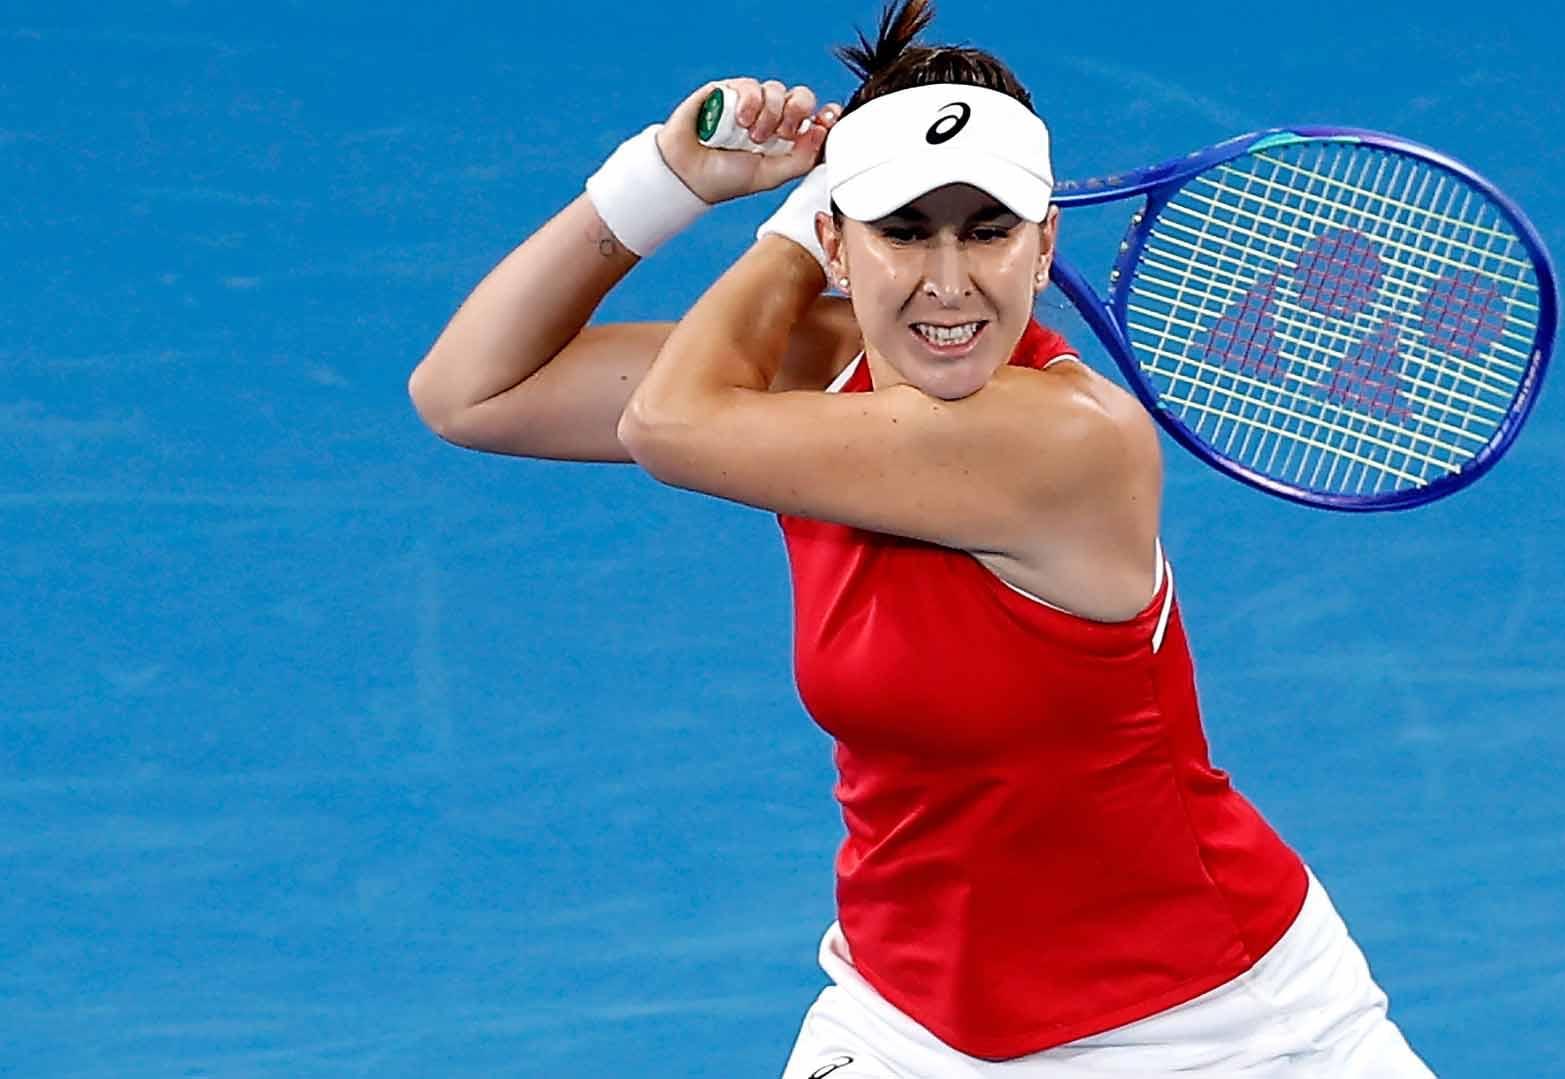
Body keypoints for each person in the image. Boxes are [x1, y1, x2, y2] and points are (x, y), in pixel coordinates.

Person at [409, 2, 1433, 1074]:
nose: (949, 282)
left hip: (1213, 1028)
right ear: (847, 244)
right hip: (908, 1020)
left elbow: (666, 425)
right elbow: (470, 392)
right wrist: (663, 179)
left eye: (988, 230)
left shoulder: (1071, 440)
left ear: (1044, 245)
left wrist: (791, 238)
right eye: (903, 230)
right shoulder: (815, 373)